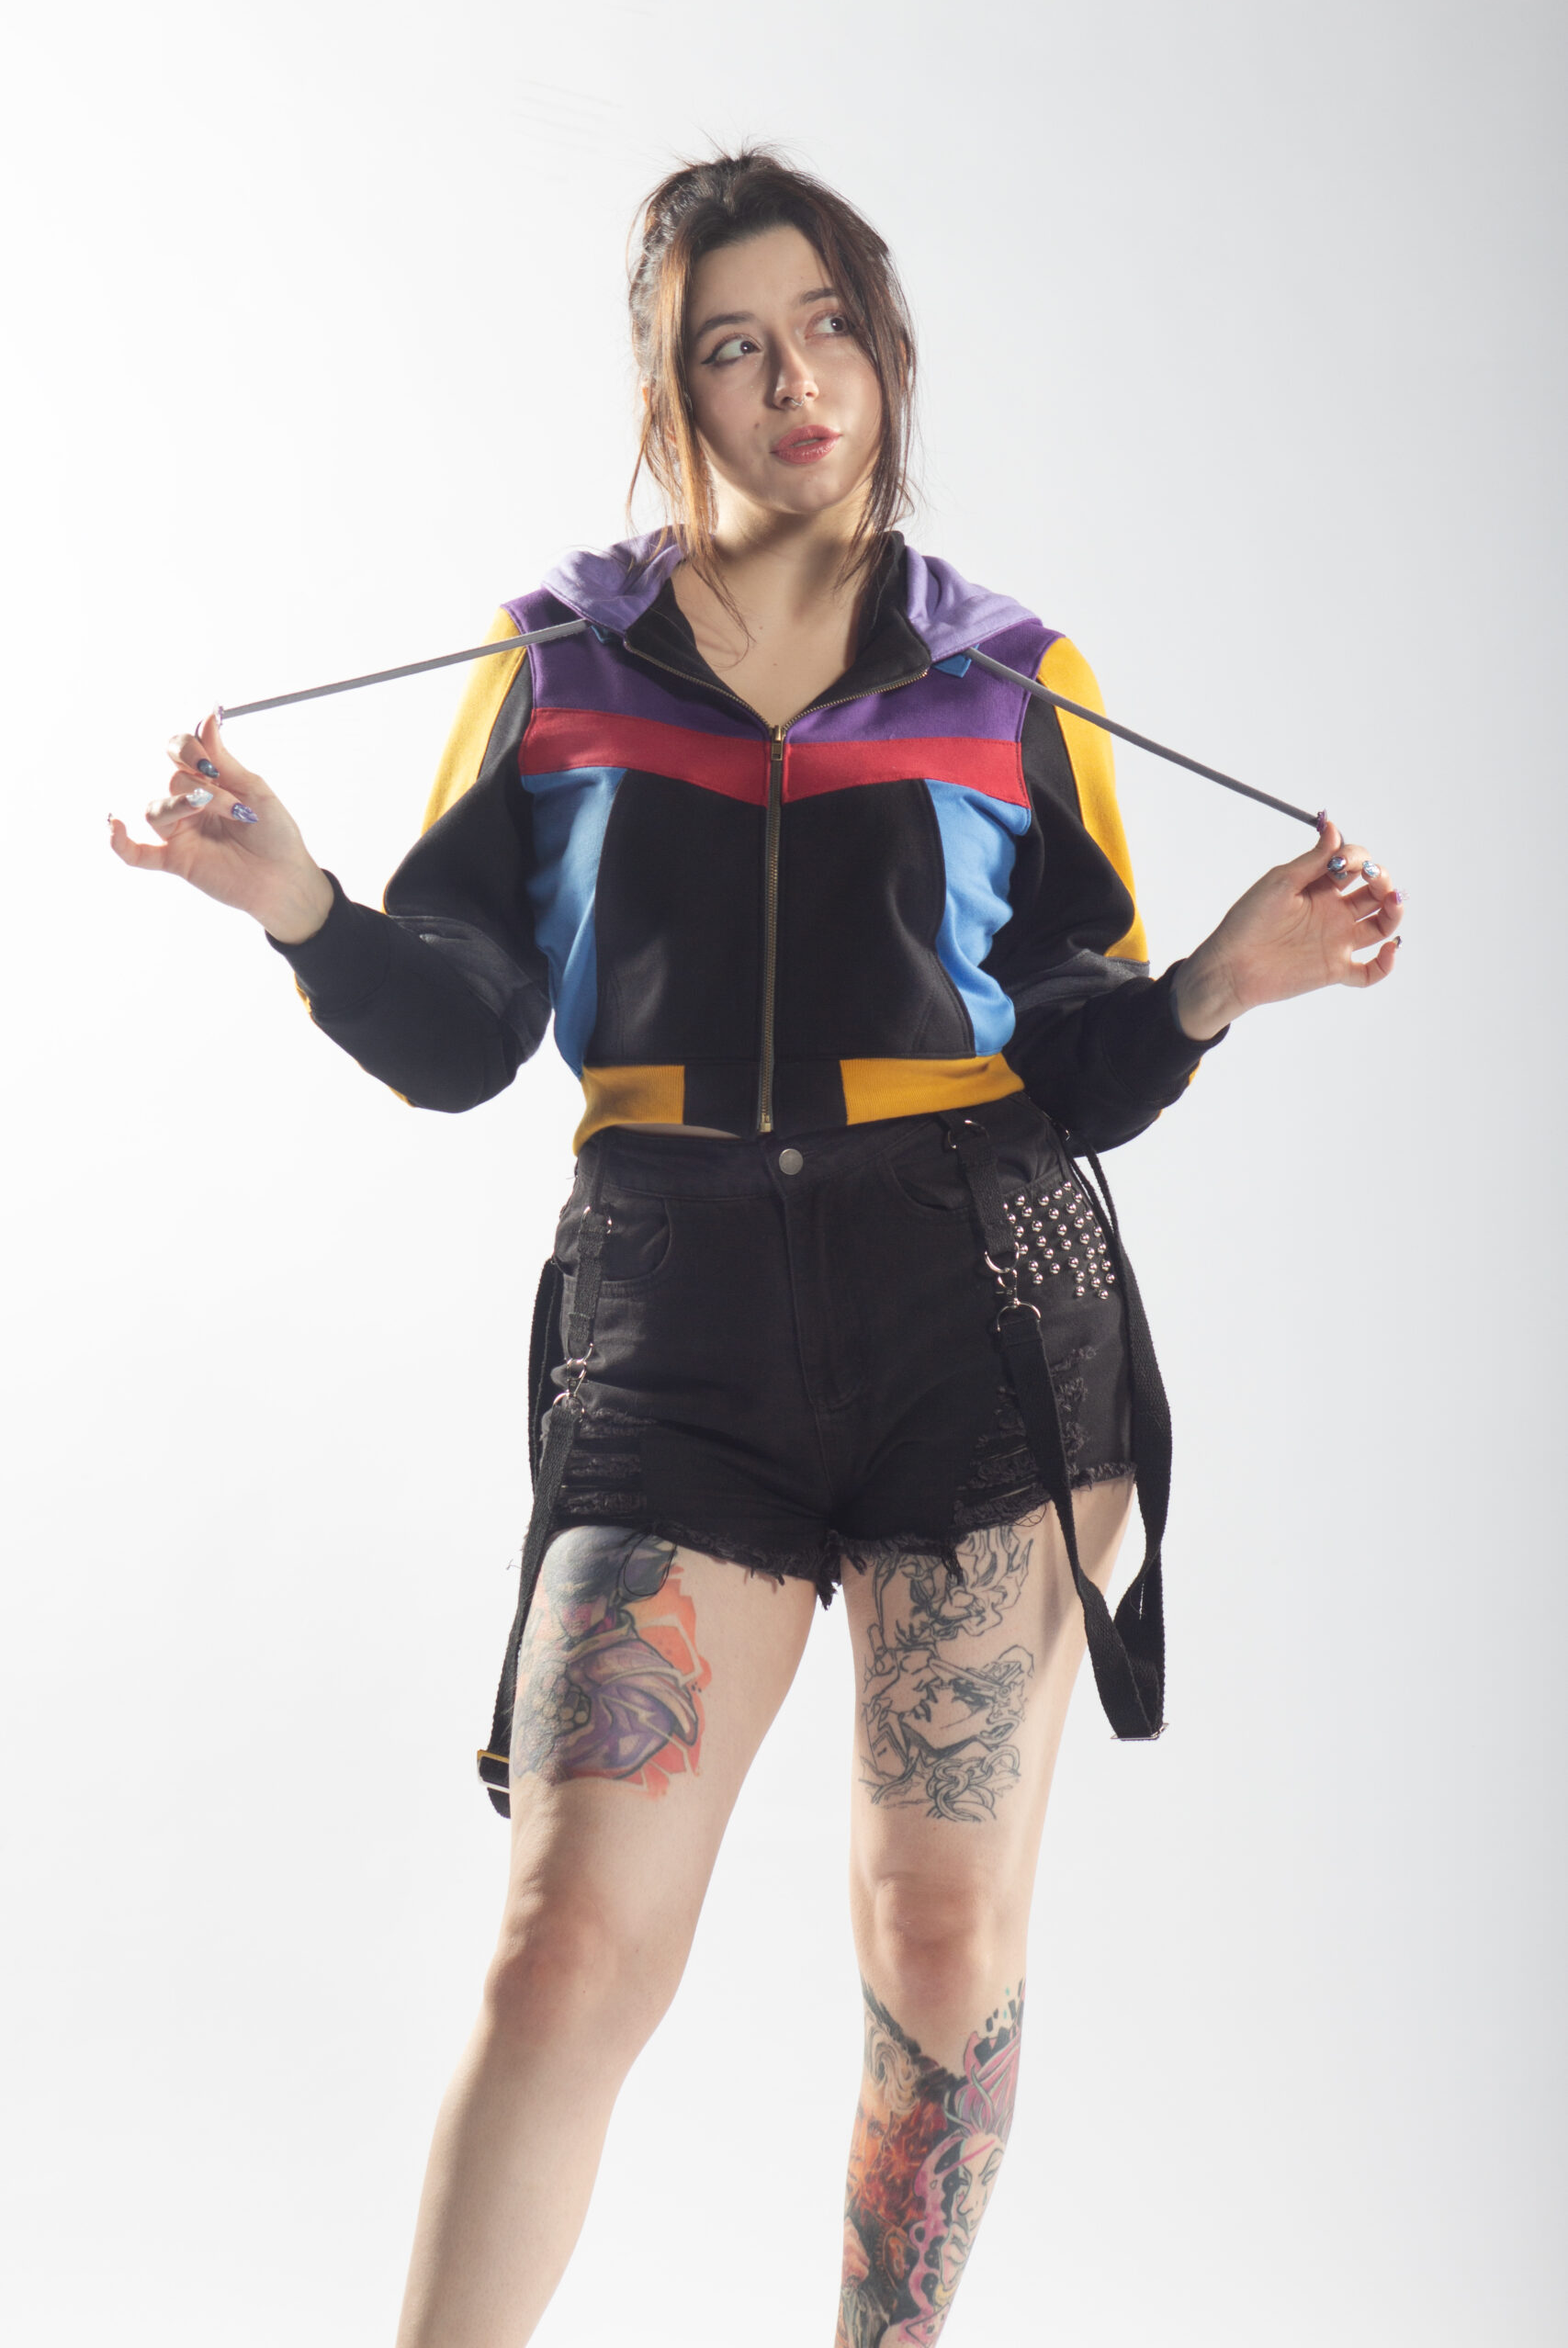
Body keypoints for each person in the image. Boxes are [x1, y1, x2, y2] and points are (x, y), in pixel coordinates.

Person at [111, 150, 1402, 2348]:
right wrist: (306, 910)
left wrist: (1214, 980)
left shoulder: (1011, 675)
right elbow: (464, 1036)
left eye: (822, 330)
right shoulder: (555, 660)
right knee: (563, 1947)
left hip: (975, 1307)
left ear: (880, 352)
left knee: (936, 1935)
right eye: (732, 345)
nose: (792, 381)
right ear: (670, 389)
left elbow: (1071, 1050)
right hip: (672, 1316)